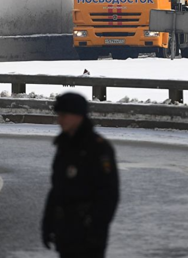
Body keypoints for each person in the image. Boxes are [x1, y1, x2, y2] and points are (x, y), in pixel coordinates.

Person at [42, 93, 119, 258]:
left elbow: (109, 195)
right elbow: (57, 189)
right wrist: (48, 223)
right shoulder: (64, 146)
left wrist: (96, 229)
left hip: (88, 233)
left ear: (78, 116)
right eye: (59, 115)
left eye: (64, 115)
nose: (59, 120)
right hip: (65, 230)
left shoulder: (99, 149)